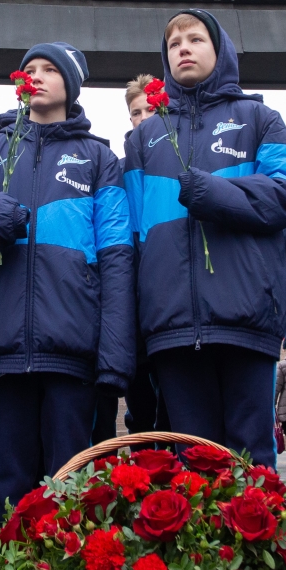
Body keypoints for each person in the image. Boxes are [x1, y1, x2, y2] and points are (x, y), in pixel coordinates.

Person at [0, 42, 136, 570]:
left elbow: (116, 257)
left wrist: (113, 355)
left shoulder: (98, 159)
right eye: (27, 70)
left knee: (74, 480)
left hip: (72, 348)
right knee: (5, 479)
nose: (34, 77)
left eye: (49, 69)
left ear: (73, 86)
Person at [122, 10, 286, 466]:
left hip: (246, 318)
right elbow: (130, 236)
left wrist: (215, 193)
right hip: (172, 327)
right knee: (191, 465)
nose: (183, 48)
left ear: (219, 48)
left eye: (195, 39)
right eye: (173, 43)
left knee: (251, 462)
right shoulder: (144, 138)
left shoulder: (260, 118)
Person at [119, 74, 167, 435]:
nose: (144, 118)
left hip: (172, 306)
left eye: (151, 109)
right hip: (134, 308)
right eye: (137, 112)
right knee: (140, 412)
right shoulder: (118, 170)